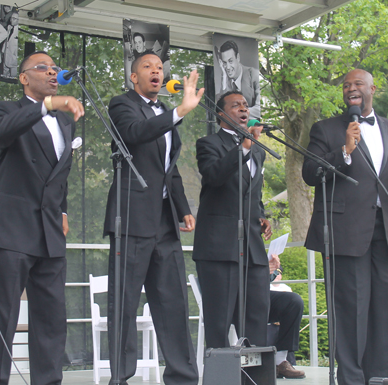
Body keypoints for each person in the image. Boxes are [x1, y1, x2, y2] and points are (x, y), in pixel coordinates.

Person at [302, 69, 388, 385]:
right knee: (351, 307)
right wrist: (343, 152)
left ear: (372, 89)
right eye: (345, 85)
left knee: (387, 305)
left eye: (357, 84)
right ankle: (352, 379)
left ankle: (378, 377)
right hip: (346, 232)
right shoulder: (326, 129)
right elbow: (311, 173)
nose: (350, 89)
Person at [0, 51, 84, 385]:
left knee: (51, 320)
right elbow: (3, 131)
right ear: (24, 78)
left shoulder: (65, 122)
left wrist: (63, 210)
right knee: (2, 317)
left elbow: (60, 174)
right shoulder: (6, 109)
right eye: (43, 68)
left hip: (50, 231)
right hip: (12, 230)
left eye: (55, 69)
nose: (52, 73)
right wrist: (47, 106)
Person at [103, 52, 204, 385]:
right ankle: (121, 376)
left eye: (160, 67)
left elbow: (168, 168)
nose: (156, 72)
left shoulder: (166, 113)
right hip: (131, 217)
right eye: (148, 67)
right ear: (134, 77)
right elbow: (136, 133)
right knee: (125, 302)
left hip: (164, 219)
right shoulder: (122, 105)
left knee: (173, 300)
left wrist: (184, 207)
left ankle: (183, 376)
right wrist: (180, 111)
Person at [192, 91, 271, 362]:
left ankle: (255, 376)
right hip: (219, 247)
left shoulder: (257, 150)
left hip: (251, 246)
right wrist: (245, 146)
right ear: (221, 114)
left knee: (257, 316)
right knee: (219, 321)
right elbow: (215, 177)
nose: (243, 109)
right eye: (235, 105)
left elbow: (252, 193)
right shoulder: (208, 143)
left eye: (245, 105)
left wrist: (262, 216)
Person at [268, 254, 306, 379]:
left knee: (293, 301)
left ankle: (280, 361)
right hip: (240, 291)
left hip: (258, 289)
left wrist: (270, 268)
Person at [216, 40, 260, 120]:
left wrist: (237, 112)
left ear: (238, 58)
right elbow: (220, 112)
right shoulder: (225, 83)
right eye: (224, 63)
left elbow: (259, 109)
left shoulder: (254, 75)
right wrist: (224, 81)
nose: (228, 67)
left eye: (230, 61)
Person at [2, 11, 18, 78]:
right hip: (6, 55)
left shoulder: (18, 31)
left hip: (13, 58)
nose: (11, 20)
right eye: (11, 18)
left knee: (13, 77)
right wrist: (3, 51)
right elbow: (6, 41)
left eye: (14, 18)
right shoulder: (10, 28)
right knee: (5, 75)